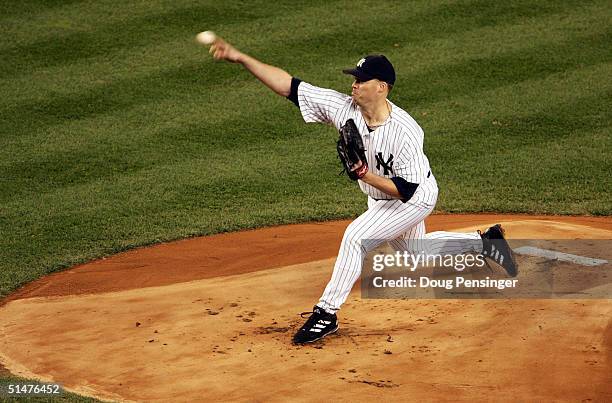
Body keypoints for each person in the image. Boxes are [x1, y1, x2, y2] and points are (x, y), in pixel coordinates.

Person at [208, 38, 517, 344]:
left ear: (381, 87)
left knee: (357, 237)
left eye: (361, 80)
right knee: (415, 253)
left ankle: (326, 313)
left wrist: (364, 174)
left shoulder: (405, 132)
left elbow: (405, 189)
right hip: (383, 196)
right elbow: (290, 86)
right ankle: (487, 243)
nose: (354, 85)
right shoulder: (345, 109)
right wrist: (240, 57)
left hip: (414, 197)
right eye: (354, 80)